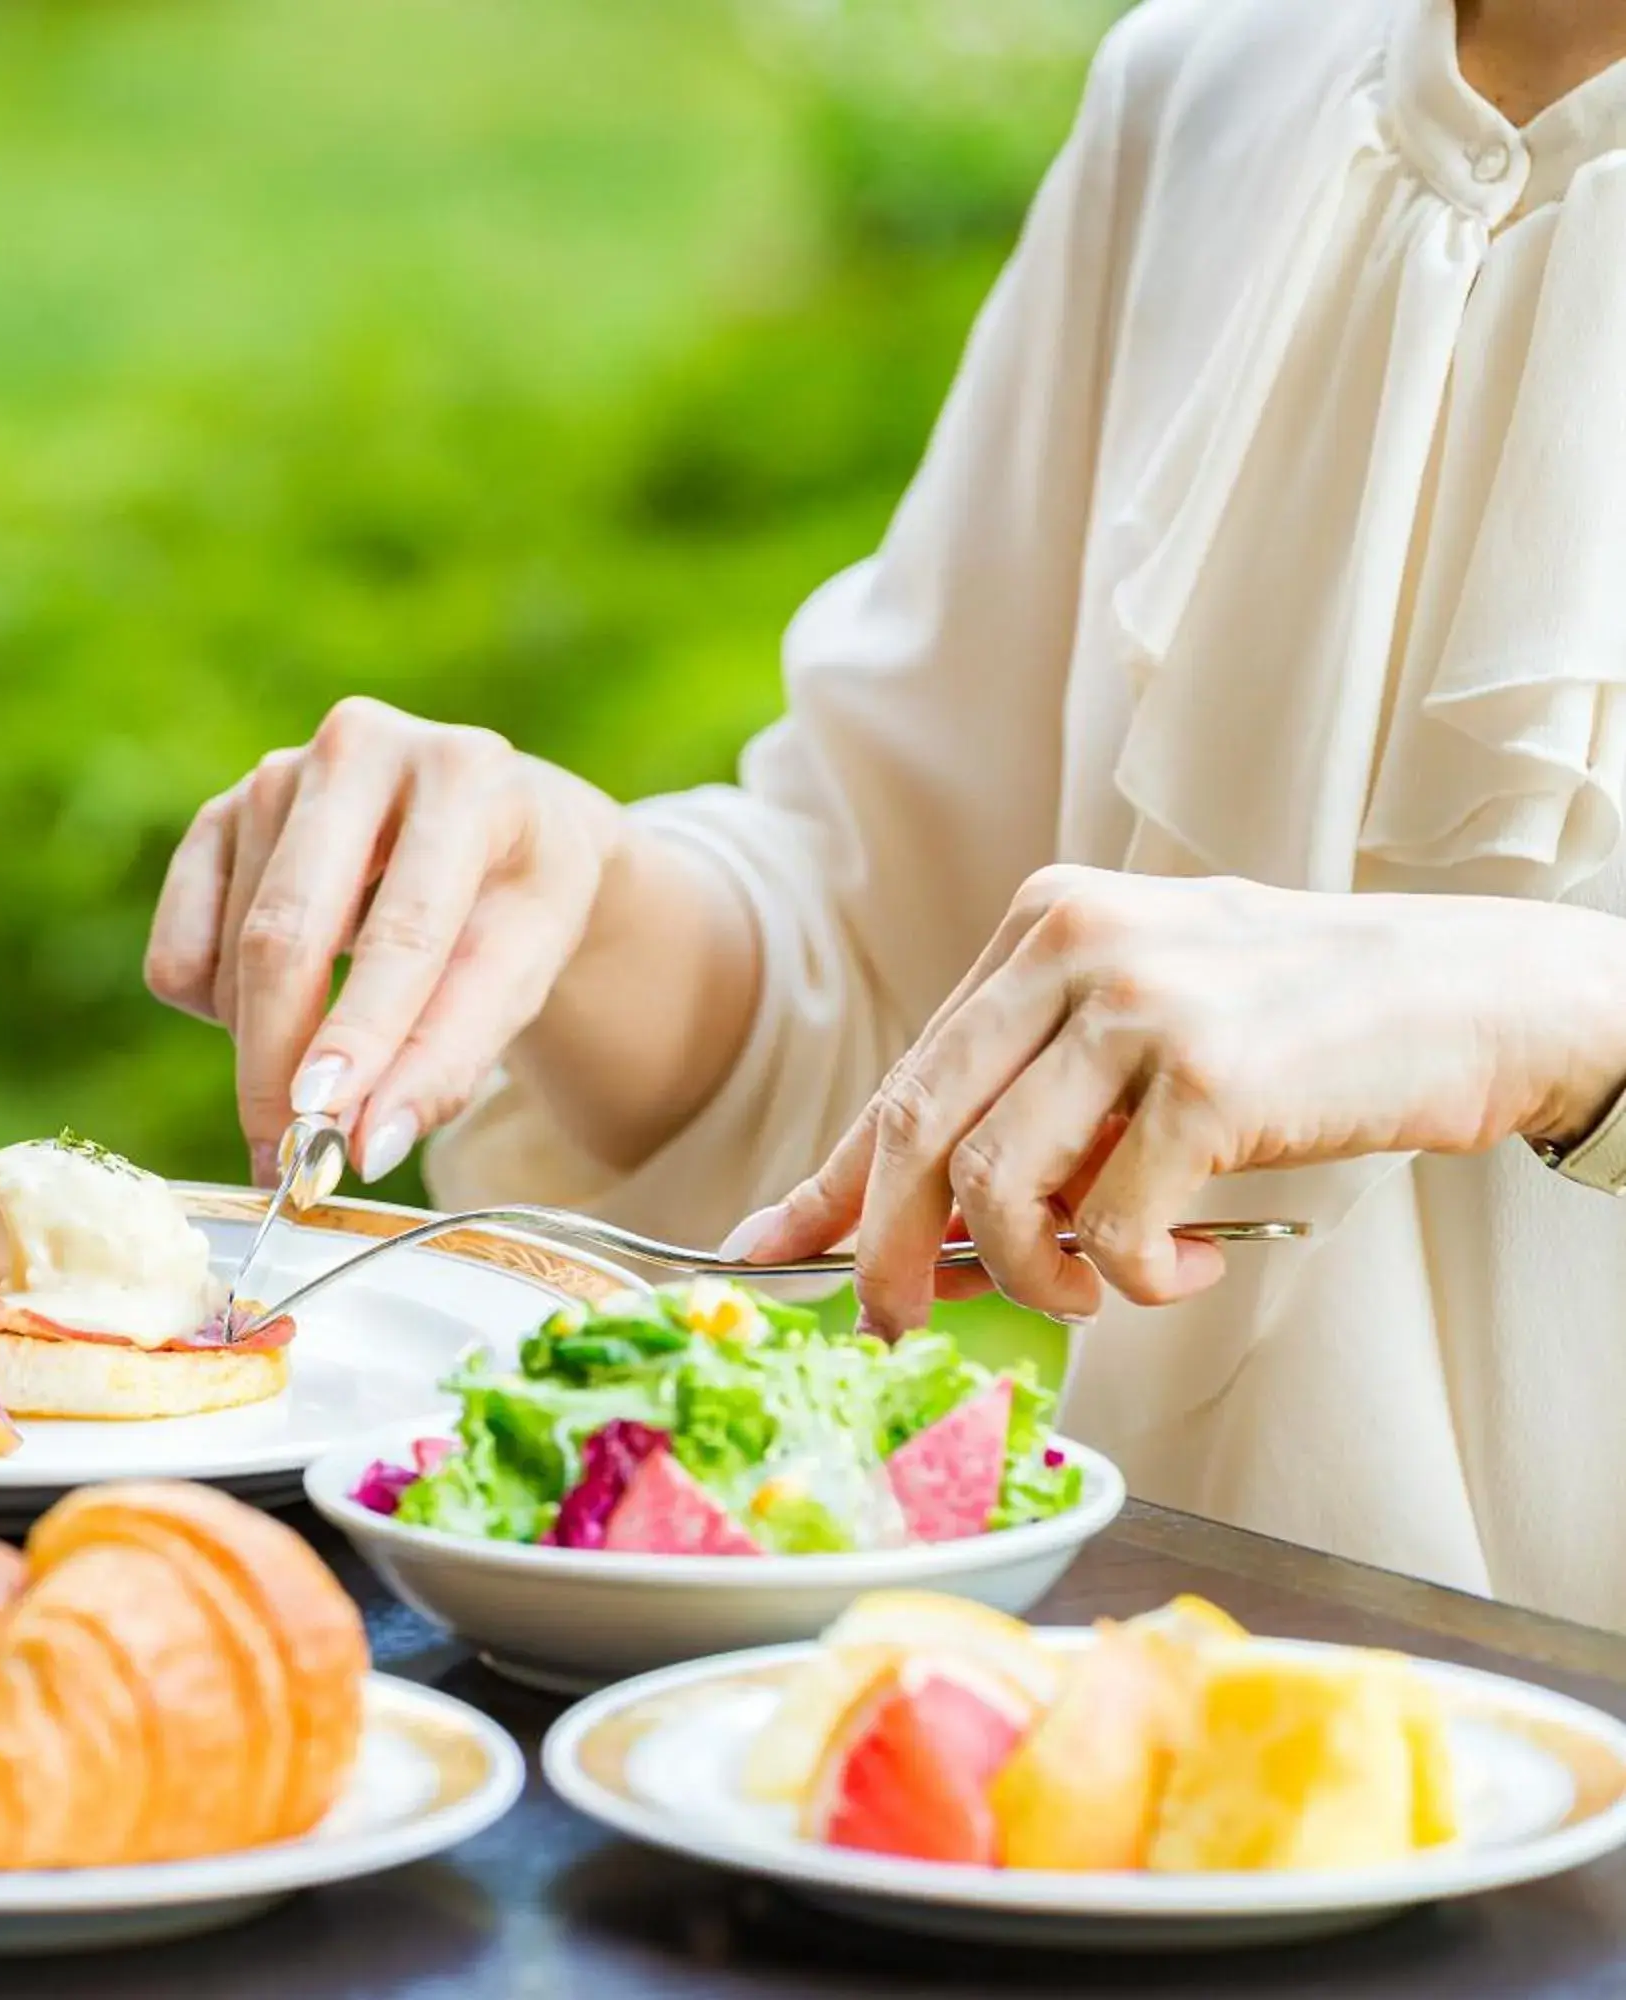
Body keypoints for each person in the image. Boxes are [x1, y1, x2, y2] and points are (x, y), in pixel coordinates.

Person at [144, 0, 1626, 1627]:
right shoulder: (1216, 80)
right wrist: (568, 891)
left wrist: (1562, 1018)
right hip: (1157, 1757)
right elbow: (905, 1007)